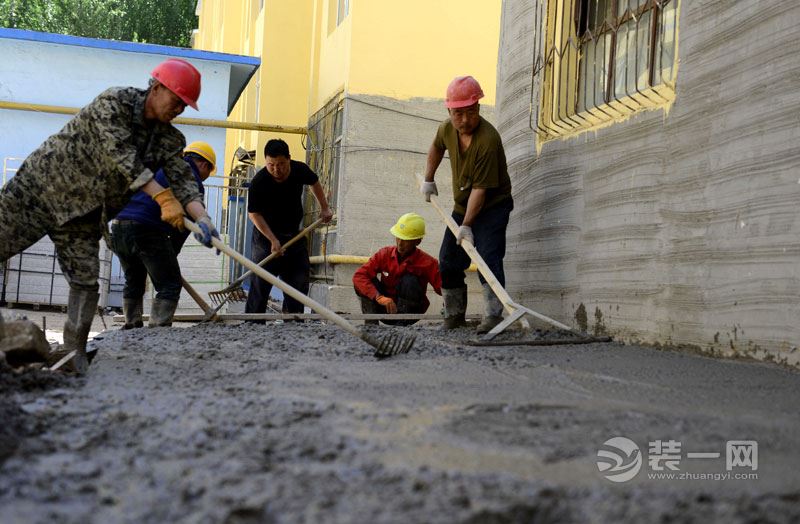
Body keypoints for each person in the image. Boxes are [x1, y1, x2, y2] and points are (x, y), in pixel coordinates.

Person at [0, 58, 220, 374]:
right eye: (177, 101)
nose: (179, 110)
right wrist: (161, 196)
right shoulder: (115, 102)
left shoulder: (171, 141)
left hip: (83, 215)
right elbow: (122, 155)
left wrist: (202, 218)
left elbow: (185, 184)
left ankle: (71, 356)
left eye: (185, 106)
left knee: (86, 282)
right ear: (157, 88)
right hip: (39, 191)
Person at [421, 75, 513, 334]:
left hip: (493, 206)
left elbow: (481, 191)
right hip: (463, 205)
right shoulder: (446, 129)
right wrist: (428, 179)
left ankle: (494, 316)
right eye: (458, 114)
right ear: (449, 110)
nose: (464, 120)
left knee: (488, 257)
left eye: (470, 113)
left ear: (478, 109)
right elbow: (436, 148)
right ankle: (454, 315)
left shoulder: (488, 140)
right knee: (448, 260)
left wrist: (467, 225)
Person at [111, 141, 217, 329]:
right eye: (209, 172)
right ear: (204, 165)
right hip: (147, 229)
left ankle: (131, 326)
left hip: (119, 227)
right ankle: (157, 332)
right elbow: (182, 229)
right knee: (169, 284)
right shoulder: (190, 177)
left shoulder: (159, 165)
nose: (206, 178)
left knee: (133, 280)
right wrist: (169, 255)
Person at [245, 139, 333, 319]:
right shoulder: (259, 182)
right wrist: (272, 240)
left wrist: (324, 207)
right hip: (265, 238)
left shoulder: (300, 170)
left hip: (293, 234)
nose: (277, 170)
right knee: (260, 282)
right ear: (266, 162)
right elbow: (254, 214)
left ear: (289, 160)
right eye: (271, 165)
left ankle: (293, 320)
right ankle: (253, 322)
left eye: (281, 164)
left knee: (298, 280)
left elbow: (314, 182)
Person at [353, 213, 442, 326]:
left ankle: (401, 327)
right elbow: (359, 276)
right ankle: (371, 326)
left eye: (405, 240)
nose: (400, 243)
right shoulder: (384, 254)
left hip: (411, 312)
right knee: (364, 282)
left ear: (417, 241)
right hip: (384, 308)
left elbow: (444, 288)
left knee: (409, 281)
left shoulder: (428, 263)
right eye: (398, 237)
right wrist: (379, 297)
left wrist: (450, 308)